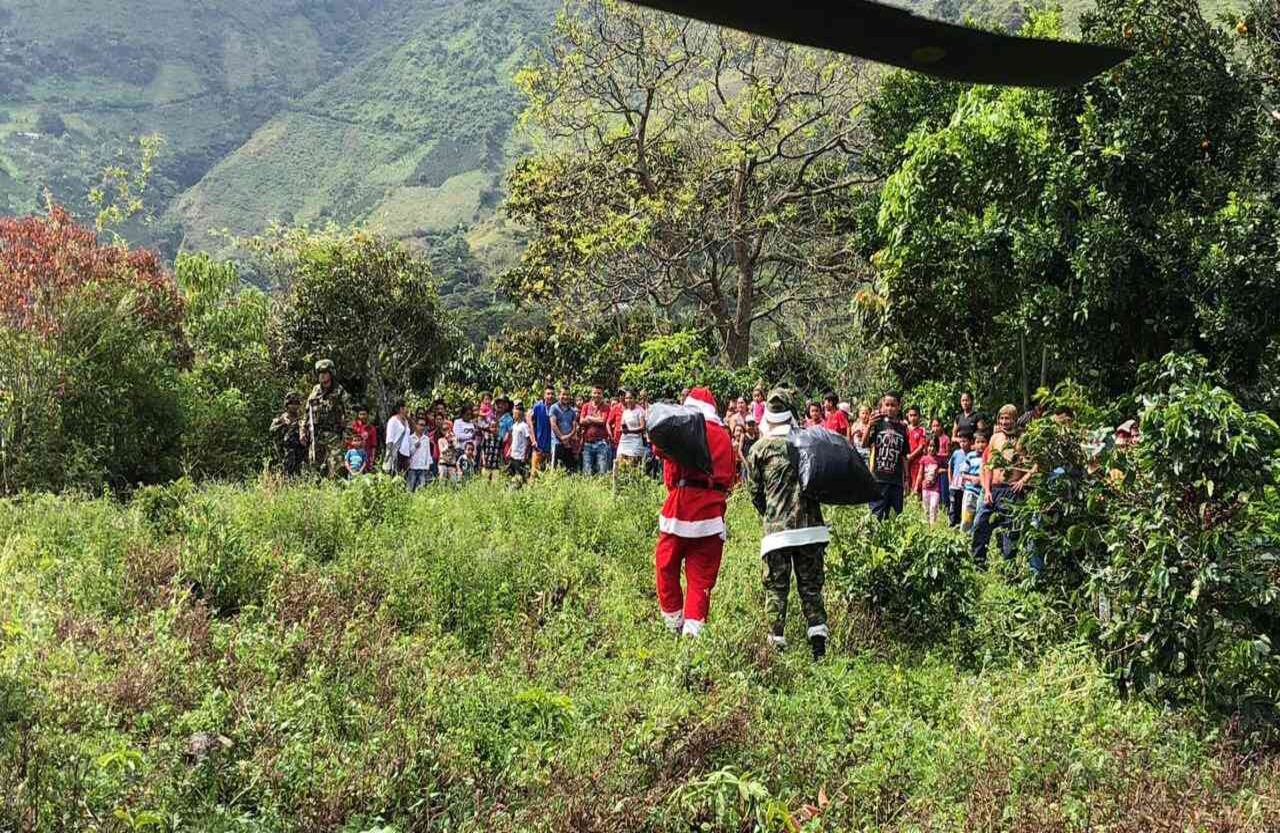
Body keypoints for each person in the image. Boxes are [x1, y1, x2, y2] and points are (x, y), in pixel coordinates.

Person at [749, 387, 830, 659]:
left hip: (777, 534)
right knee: (811, 588)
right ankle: (818, 645)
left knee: (776, 588)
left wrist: (771, 515)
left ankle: (776, 643)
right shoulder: (807, 442)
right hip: (811, 529)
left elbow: (755, 493)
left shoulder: (759, 449)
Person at [653, 387, 735, 638]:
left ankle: (672, 621)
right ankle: (693, 631)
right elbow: (730, 478)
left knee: (665, 565)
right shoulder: (724, 436)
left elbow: (670, 473)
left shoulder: (685, 430)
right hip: (712, 513)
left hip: (681, 507)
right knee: (701, 577)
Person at [972, 405, 1034, 565]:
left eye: (1007, 418)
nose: (1004, 422)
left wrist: (1023, 480)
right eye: (1001, 418)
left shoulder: (1023, 439)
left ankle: (1009, 569)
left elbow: (1036, 464)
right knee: (980, 524)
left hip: (1012, 492)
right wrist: (987, 490)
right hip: (993, 491)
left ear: (1015, 419)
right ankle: (978, 563)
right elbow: (988, 465)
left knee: (1010, 533)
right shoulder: (995, 438)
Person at [302, 359, 354, 478]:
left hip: (334, 437)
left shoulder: (340, 391)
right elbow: (307, 412)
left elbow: (350, 414)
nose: (322, 376)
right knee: (315, 471)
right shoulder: (315, 391)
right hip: (316, 436)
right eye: (320, 373)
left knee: (337, 470)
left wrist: (347, 435)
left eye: (325, 372)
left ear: (331, 374)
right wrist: (303, 431)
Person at [862, 394, 908, 520]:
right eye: (887, 405)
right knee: (876, 516)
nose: (890, 408)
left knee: (895, 517)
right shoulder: (877, 424)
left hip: (896, 481)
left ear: (899, 407)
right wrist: (869, 425)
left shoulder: (902, 428)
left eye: (893, 405)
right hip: (878, 479)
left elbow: (904, 456)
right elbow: (864, 444)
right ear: (882, 406)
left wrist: (906, 479)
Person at [269, 392, 309, 477]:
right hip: (285, 452)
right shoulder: (282, 419)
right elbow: (272, 431)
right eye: (292, 404)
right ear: (287, 405)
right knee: (287, 472)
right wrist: (283, 424)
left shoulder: (302, 419)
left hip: (300, 452)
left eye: (296, 404)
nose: (294, 406)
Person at [579, 385, 612, 476]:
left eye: (599, 393)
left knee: (602, 471)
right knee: (587, 471)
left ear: (602, 395)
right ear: (591, 394)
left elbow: (602, 421)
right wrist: (596, 419)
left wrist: (589, 418)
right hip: (587, 443)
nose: (596, 395)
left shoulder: (606, 407)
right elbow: (581, 421)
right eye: (594, 393)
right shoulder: (586, 406)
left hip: (601, 443)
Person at [614, 390, 647, 470]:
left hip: (635, 442)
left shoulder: (640, 411)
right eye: (626, 398)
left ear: (635, 399)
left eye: (630, 398)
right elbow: (623, 425)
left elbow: (643, 427)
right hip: (624, 441)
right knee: (620, 464)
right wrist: (623, 428)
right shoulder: (625, 412)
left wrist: (630, 431)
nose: (628, 400)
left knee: (633, 466)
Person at [961, 431, 987, 532]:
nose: (980, 445)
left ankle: (973, 536)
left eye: (983, 442)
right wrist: (972, 478)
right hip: (970, 491)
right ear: (974, 444)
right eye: (978, 442)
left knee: (978, 518)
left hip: (982, 492)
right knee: (967, 518)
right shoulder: (970, 456)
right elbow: (962, 473)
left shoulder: (989, 457)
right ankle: (964, 537)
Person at [549, 387, 579, 471]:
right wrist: (562, 437)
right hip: (557, 443)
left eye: (567, 395)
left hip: (569, 444)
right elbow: (553, 425)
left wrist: (568, 437)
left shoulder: (572, 411)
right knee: (555, 469)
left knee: (569, 470)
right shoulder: (554, 408)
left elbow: (574, 427)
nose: (565, 397)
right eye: (563, 394)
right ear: (559, 395)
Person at [948, 431, 972, 527]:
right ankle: (952, 523)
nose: (962, 444)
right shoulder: (956, 453)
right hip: (955, 485)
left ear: (970, 442)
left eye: (965, 441)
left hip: (966, 486)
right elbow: (950, 466)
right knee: (953, 505)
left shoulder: (972, 455)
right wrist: (950, 480)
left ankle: (961, 524)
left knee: (963, 505)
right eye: (961, 441)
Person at [530, 387, 555, 474]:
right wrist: (533, 440)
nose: (550, 396)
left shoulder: (555, 408)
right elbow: (530, 422)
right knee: (534, 473)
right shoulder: (538, 406)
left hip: (551, 448)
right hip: (538, 446)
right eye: (548, 394)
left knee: (548, 474)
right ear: (544, 395)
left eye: (552, 394)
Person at [919, 436, 944, 525]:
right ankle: (925, 526)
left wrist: (940, 471)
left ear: (937, 447)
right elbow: (920, 474)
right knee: (925, 508)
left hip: (935, 489)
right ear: (927, 446)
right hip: (925, 488)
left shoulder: (940, 459)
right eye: (930, 446)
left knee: (933, 507)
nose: (932, 448)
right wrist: (916, 487)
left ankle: (933, 527)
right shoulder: (924, 459)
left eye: (934, 446)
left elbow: (946, 469)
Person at [404, 418, 434, 492]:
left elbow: (428, 454)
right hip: (413, 467)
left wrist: (427, 466)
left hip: (423, 467)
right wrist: (415, 446)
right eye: (421, 425)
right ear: (416, 425)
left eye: (424, 425)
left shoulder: (426, 439)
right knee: (410, 488)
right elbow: (408, 453)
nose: (422, 427)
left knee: (421, 489)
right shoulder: (410, 438)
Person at [383, 400, 411, 476]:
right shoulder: (393, 420)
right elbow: (389, 438)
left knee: (403, 476)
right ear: (401, 408)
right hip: (396, 451)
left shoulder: (406, 421)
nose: (408, 409)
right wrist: (390, 453)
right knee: (395, 474)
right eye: (406, 407)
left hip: (405, 452)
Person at [905, 405, 927, 498]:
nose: (913, 418)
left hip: (917, 461)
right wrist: (906, 457)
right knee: (906, 481)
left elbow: (921, 446)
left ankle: (916, 501)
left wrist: (911, 456)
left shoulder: (922, 430)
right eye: (911, 415)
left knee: (916, 483)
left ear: (919, 416)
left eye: (915, 415)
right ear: (908, 416)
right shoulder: (905, 429)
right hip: (905, 461)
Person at [507, 401, 532, 481]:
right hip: (513, 455)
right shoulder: (514, 426)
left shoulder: (524, 426)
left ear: (520, 414)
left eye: (515, 413)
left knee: (520, 476)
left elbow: (528, 441)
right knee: (511, 475)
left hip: (520, 456)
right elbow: (514, 440)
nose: (513, 415)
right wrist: (509, 450)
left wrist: (525, 455)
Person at [352, 407, 378, 473]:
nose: (362, 416)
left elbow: (373, 445)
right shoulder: (354, 426)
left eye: (364, 414)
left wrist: (372, 458)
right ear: (358, 415)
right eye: (360, 414)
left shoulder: (371, 428)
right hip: (354, 457)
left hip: (366, 457)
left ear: (367, 415)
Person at [479, 414, 503, 481]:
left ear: (498, 428)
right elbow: (483, 449)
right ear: (489, 427)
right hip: (486, 463)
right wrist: (483, 460)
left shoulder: (500, 438)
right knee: (485, 481)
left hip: (495, 464)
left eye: (496, 427)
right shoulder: (486, 437)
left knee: (495, 482)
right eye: (492, 427)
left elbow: (500, 451)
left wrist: (501, 463)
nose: (494, 429)